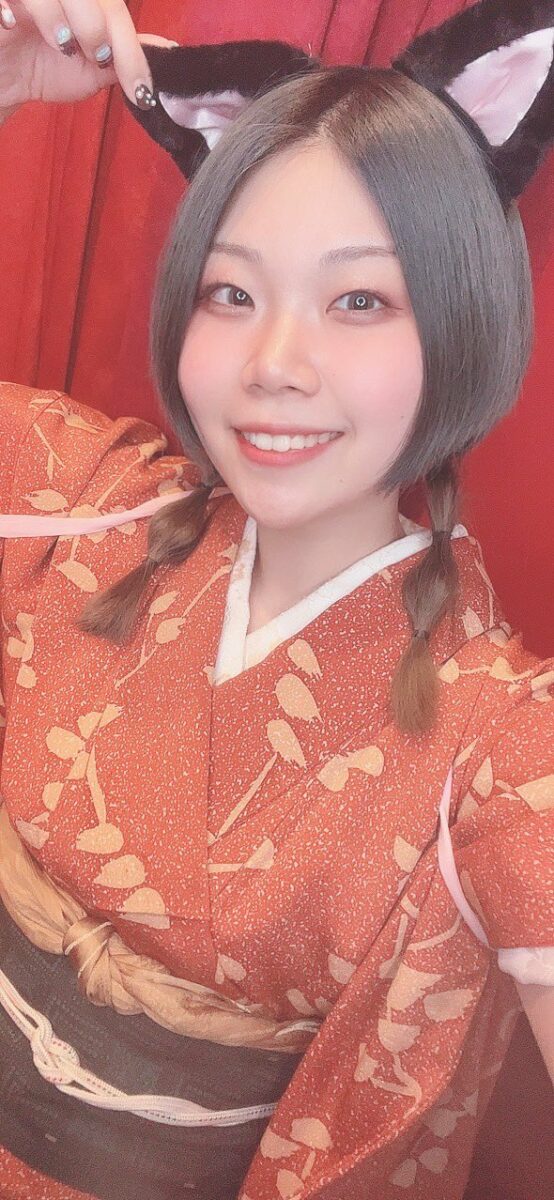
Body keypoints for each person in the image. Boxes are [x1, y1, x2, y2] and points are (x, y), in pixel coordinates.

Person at [0, 2, 552, 1199]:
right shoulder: (72, 507)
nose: (272, 366)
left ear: (464, 319)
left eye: (358, 301)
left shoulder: (500, 748)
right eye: (230, 293)